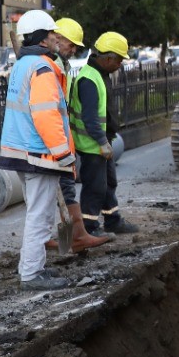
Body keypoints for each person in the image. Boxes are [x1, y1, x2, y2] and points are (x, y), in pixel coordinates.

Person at [0, 10, 83, 290]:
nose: (56, 39)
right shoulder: (43, 69)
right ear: (43, 40)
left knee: (40, 213)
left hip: (22, 151)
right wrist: (63, 154)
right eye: (52, 35)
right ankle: (32, 275)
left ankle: (34, 269)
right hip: (39, 154)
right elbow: (46, 116)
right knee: (39, 215)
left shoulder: (24, 65)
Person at [41, 16, 110, 256]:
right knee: (63, 189)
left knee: (59, 190)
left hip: (60, 135)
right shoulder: (49, 66)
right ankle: (74, 238)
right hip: (52, 138)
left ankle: (64, 241)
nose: (74, 50)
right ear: (58, 39)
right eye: (72, 45)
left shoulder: (62, 65)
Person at [71, 31, 141, 236]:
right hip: (92, 145)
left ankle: (113, 220)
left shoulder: (101, 75)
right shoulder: (89, 80)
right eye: (119, 59)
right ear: (108, 58)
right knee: (95, 187)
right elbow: (90, 118)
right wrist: (101, 142)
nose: (120, 64)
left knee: (109, 183)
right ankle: (90, 228)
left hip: (102, 142)